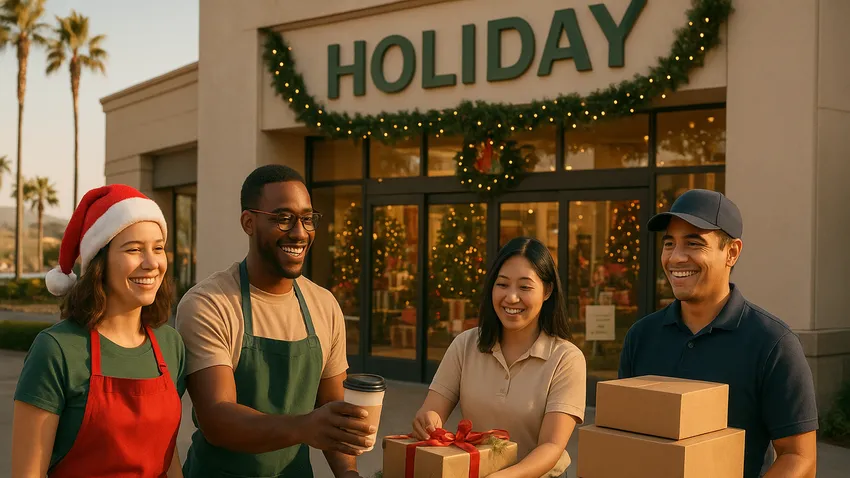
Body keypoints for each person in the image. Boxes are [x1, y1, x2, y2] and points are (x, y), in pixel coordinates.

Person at [176, 164, 372, 478]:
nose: (300, 232)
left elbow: (333, 412)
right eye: (283, 218)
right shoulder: (209, 304)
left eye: (307, 218)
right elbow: (217, 419)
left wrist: (349, 473)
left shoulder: (324, 306)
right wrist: (305, 426)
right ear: (248, 222)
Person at [618, 189, 818, 478]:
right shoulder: (641, 336)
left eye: (693, 243)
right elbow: (623, 434)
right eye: (669, 243)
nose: (676, 257)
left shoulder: (773, 343)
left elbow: (799, 456)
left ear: (732, 253)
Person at [12, 184, 185, 477]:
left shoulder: (171, 344)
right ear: (99, 263)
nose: (151, 263)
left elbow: (168, 457)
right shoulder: (56, 350)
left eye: (158, 248)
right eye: (134, 249)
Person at [412, 237, 586, 478]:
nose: (511, 297)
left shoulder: (566, 359)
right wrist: (428, 420)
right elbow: (432, 410)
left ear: (547, 291)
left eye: (524, 287)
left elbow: (551, 445)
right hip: (475, 472)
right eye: (502, 284)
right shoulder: (465, 344)